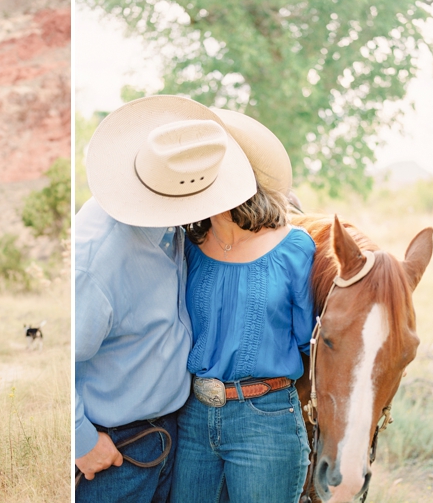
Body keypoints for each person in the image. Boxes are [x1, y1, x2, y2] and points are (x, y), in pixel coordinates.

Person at [75, 95, 261, 502]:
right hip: (115, 450)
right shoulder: (97, 261)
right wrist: (80, 441)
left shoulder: (170, 227)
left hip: (168, 433)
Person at [170, 119, 315, 501]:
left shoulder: (294, 246)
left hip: (265, 420)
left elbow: (306, 340)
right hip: (194, 416)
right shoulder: (187, 245)